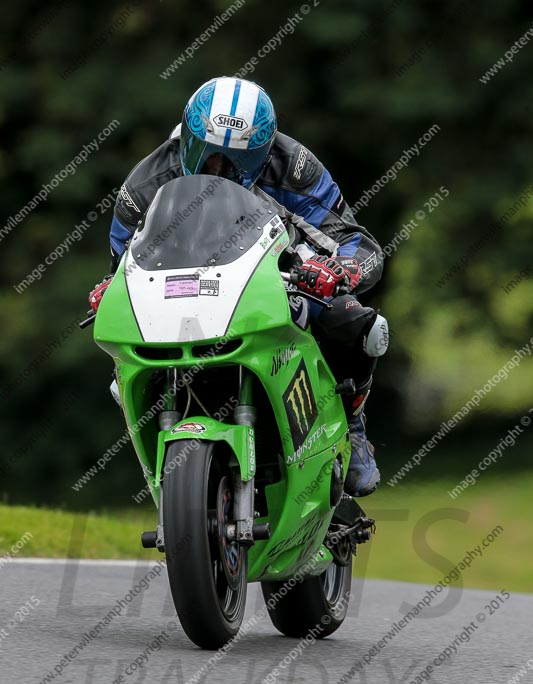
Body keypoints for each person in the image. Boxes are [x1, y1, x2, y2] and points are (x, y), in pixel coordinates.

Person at [89, 77, 388, 497]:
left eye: (236, 159)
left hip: (276, 279)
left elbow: (359, 242)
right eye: (208, 154)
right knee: (121, 373)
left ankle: (353, 430)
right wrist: (111, 289)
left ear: (263, 151)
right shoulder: (145, 184)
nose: (218, 170)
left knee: (356, 324)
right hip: (182, 292)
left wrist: (341, 271)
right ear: (188, 140)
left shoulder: (294, 166)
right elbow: (124, 265)